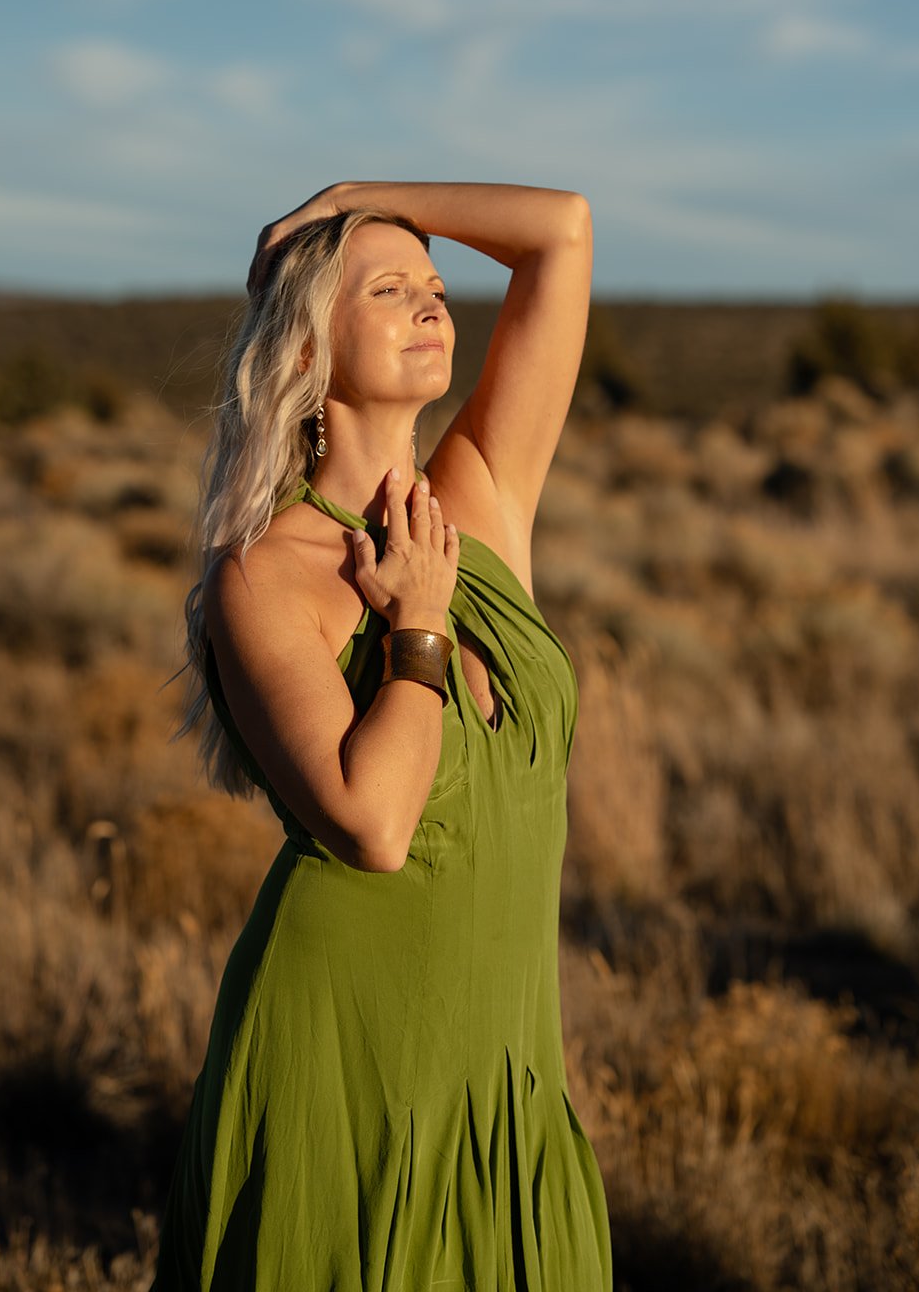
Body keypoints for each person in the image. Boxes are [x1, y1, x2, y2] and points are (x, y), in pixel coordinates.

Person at [151, 181, 612, 1291]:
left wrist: (365, 197)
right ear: (308, 345)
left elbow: (563, 229)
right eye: (390, 289)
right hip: (349, 1040)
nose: (433, 305)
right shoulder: (262, 572)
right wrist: (415, 622)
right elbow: (374, 822)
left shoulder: (479, 497)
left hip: (501, 1045)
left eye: (440, 287)